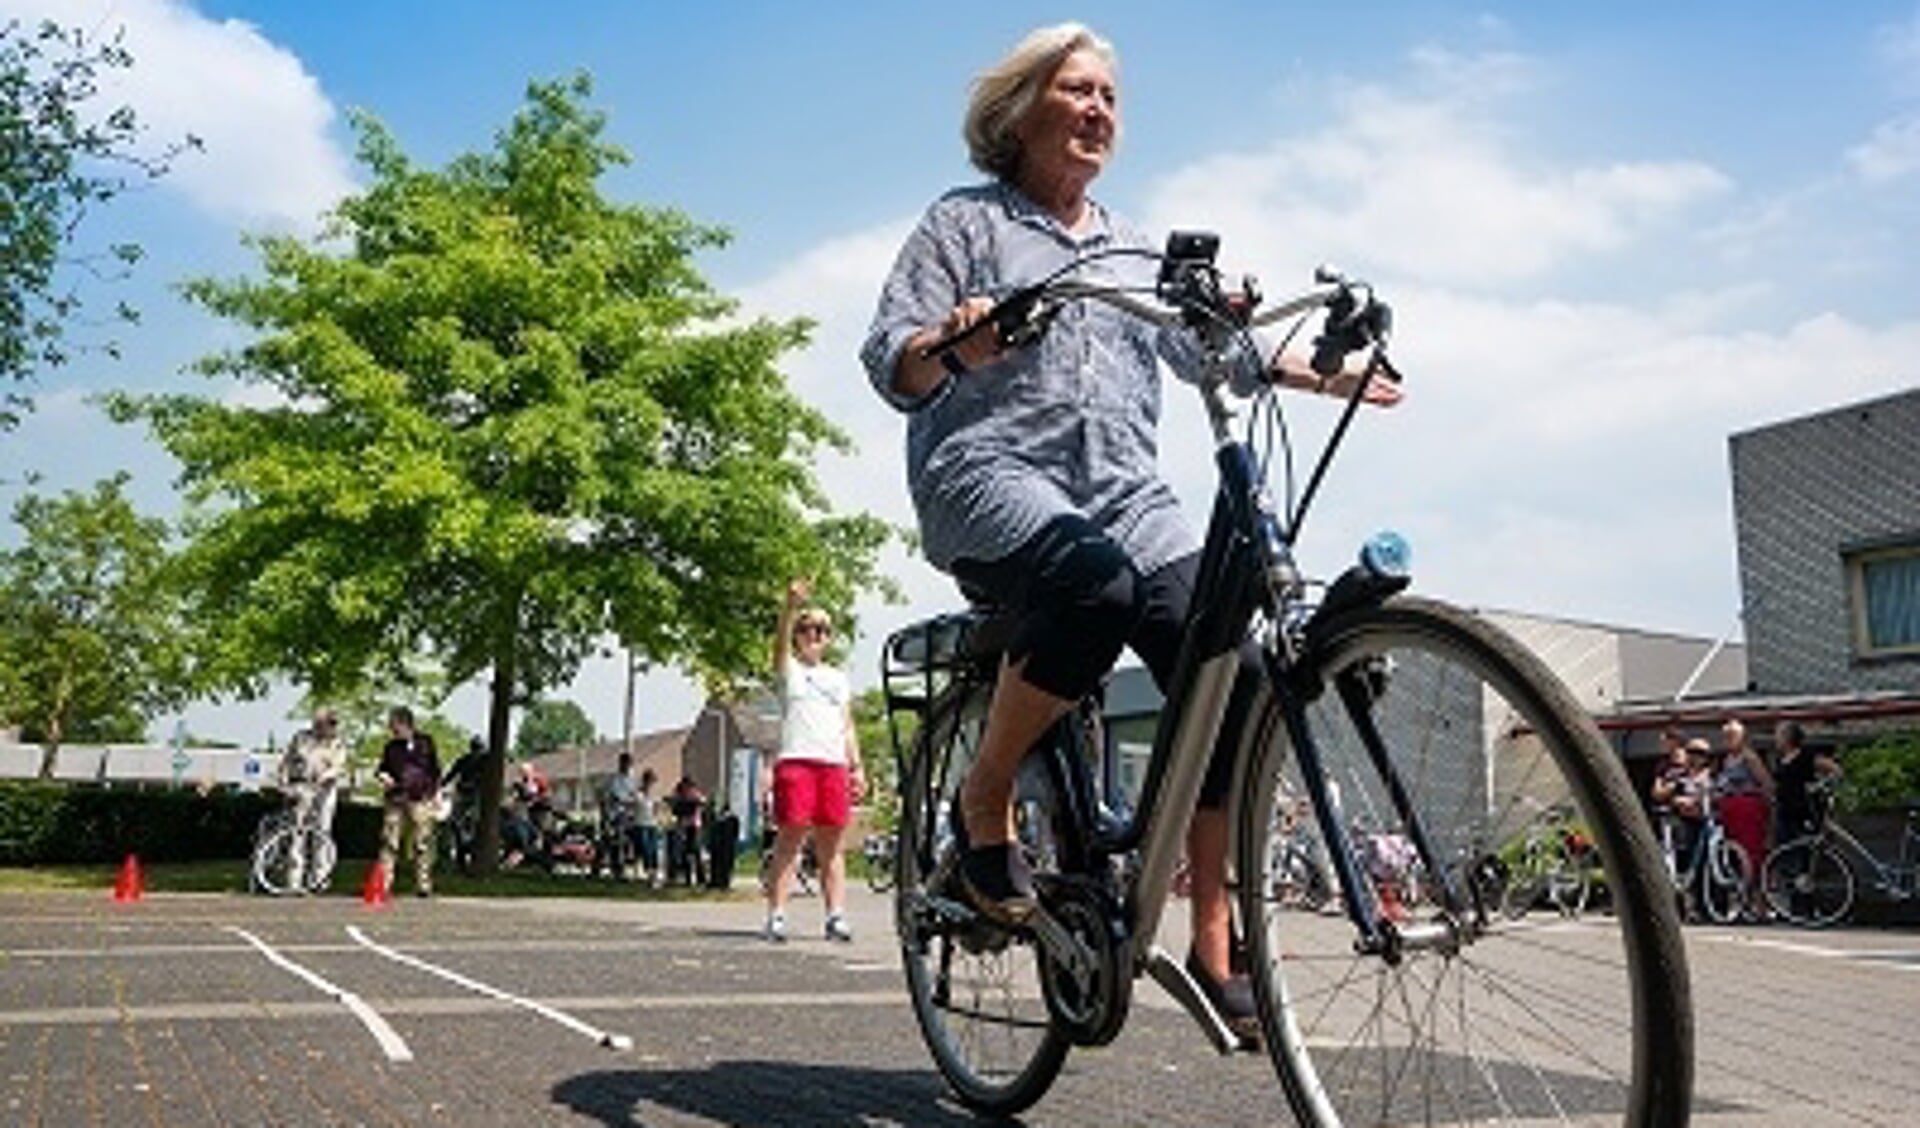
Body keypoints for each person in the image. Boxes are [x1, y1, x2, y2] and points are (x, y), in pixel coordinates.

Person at [859, 22, 1397, 1035]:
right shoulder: (963, 223)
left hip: (1125, 490)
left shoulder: (1130, 247)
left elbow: (1210, 354)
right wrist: (955, 341)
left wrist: (1319, 371)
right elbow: (895, 361)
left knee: (1227, 657)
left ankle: (1212, 946)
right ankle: (985, 800)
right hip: (988, 472)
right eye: (1076, 89)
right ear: (1018, 113)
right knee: (1089, 585)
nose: (1100, 108)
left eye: (1110, 93)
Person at [762, 578, 866, 943]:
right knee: (790, 839)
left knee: (832, 845)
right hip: (797, 761)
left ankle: (835, 915)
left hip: (832, 764)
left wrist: (857, 766)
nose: (814, 635)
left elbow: (847, 724)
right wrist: (789, 607)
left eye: (822, 629)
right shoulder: (790, 670)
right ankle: (776, 914)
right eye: (807, 629)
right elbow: (778, 645)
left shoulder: (838, 678)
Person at [278, 708, 346, 892]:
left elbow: (339, 767)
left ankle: (319, 880)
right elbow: (286, 762)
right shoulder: (301, 738)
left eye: (333, 724)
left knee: (322, 833)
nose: (330, 727)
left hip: (324, 791)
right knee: (297, 833)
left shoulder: (337, 743)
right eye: (326, 723)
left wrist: (326, 776)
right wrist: (284, 784)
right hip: (301, 788)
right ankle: (294, 881)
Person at [376, 706, 442, 897]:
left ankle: (424, 884)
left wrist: (435, 794)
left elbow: (435, 770)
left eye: (394, 726)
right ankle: (384, 884)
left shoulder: (426, 742)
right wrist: (383, 777)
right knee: (389, 842)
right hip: (396, 799)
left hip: (421, 799)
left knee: (422, 842)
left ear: (406, 724)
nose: (392, 730)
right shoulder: (390, 747)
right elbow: (382, 769)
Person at [1714, 717, 1773, 915]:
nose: (1728, 741)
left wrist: (1769, 805)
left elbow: (1765, 782)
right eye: (1726, 737)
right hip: (1730, 809)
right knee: (1734, 856)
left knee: (1753, 854)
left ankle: (1760, 903)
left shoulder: (1749, 757)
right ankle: (1742, 901)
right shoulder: (1726, 760)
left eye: (1732, 737)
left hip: (1748, 807)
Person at [1771, 720, 1840, 847]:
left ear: (1788, 737)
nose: (1775, 738)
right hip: (1785, 809)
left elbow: (1834, 769)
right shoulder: (1779, 759)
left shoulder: (1806, 755)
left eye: (1778, 735)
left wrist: (1821, 785)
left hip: (1803, 807)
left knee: (1804, 844)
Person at [599, 752, 641, 879]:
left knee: (627, 842)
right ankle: (617, 869)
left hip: (629, 815)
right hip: (615, 815)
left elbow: (635, 797)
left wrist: (631, 803)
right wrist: (606, 815)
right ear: (620, 763)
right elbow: (609, 798)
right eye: (625, 763)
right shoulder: (613, 780)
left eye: (629, 764)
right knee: (615, 841)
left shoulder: (633, 780)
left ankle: (627, 866)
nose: (627, 766)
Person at [668, 775, 707, 886]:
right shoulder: (678, 794)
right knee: (684, 852)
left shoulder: (695, 793)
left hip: (694, 826)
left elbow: (703, 801)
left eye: (688, 786)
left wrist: (696, 801)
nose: (686, 789)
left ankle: (701, 878)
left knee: (696, 850)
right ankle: (687, 878)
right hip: (683, 826)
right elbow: (674, 806)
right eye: (685, 786)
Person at [634, 767, 663, 886]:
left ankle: (654, 874)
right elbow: (638, 806)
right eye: (650, 781)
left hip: (652, 825)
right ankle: (649, 874)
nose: (651, 784)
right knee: (646, 850)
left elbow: (657, 810)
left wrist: (658, 809)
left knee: (654, 850)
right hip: (641, 824)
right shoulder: (638, 794)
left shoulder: (654, 795)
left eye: (653, 782)